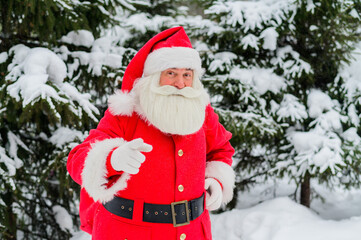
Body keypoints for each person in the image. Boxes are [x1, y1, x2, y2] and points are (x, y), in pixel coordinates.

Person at [67, 26, 235, 240]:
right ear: (154, 76)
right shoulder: (127, 111)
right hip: (130, 233)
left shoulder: (202, 112)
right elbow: (77, 160)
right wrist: (112, 159)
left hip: (192, 232)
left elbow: (221, 150)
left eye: (187, 75)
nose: (180, 83)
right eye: (171, 73)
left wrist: (216, 181)